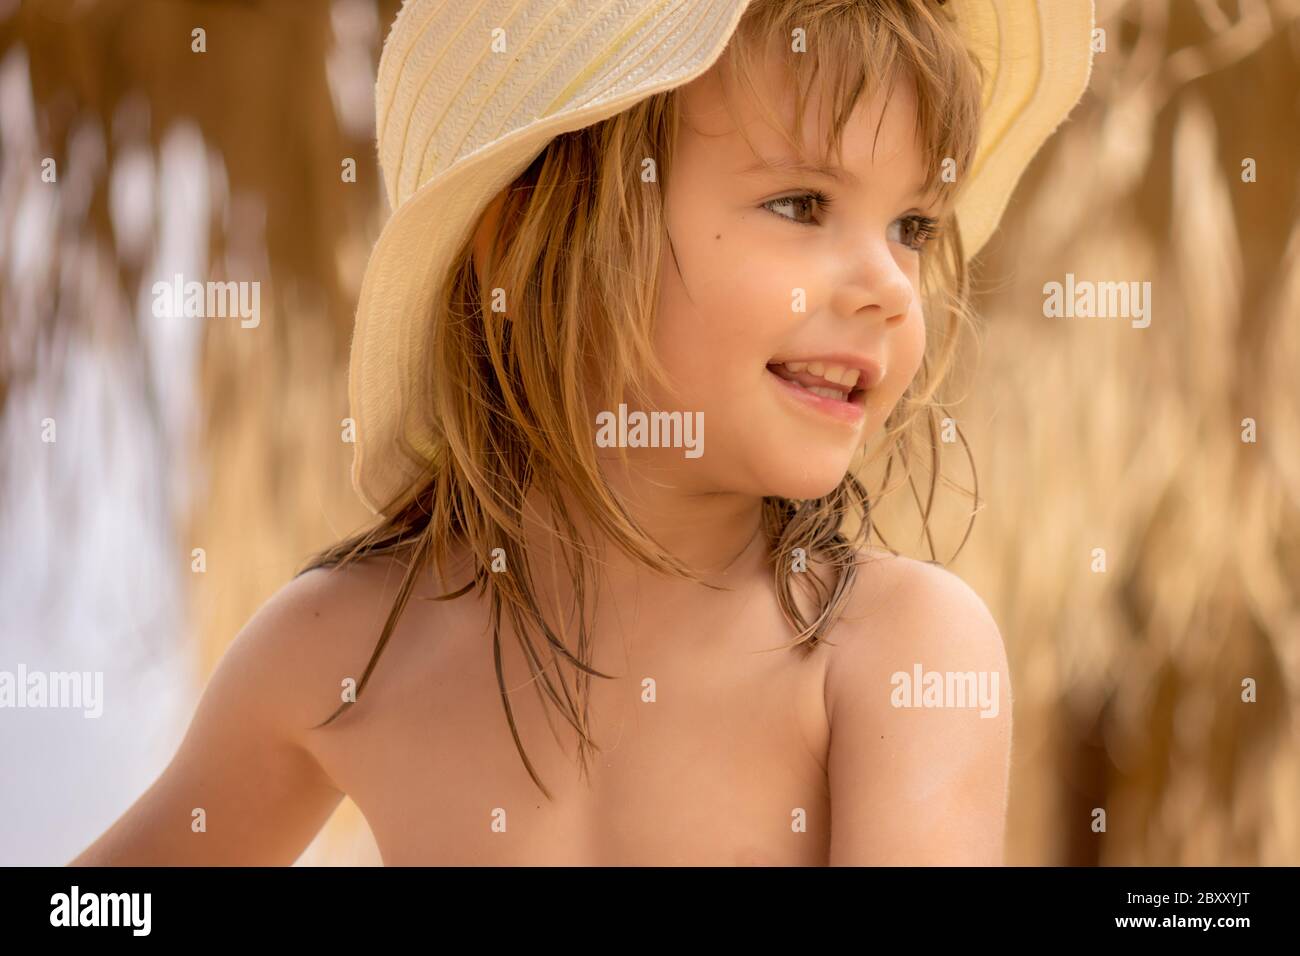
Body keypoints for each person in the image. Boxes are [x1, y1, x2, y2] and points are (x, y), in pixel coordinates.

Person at [69, 0, 1094, 866]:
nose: (887, 288)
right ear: (522, 240)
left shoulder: (888, 652)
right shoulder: (336, 649)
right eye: (800, 202)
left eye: (911, 226)